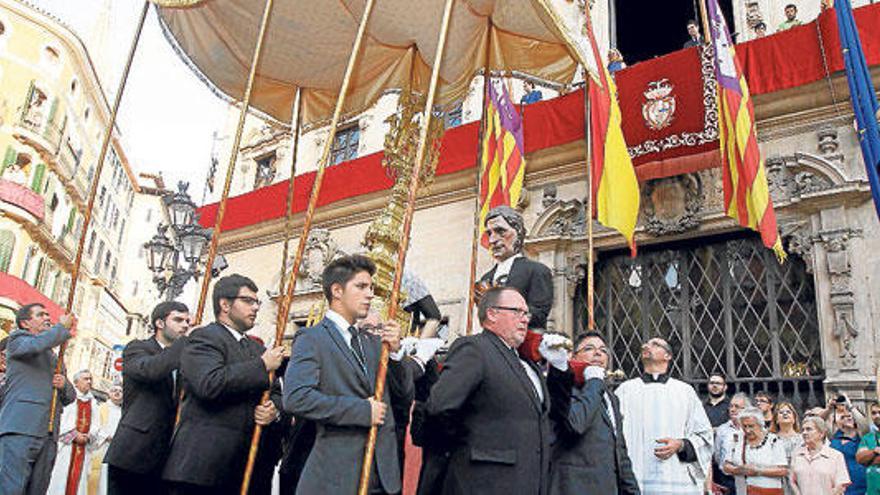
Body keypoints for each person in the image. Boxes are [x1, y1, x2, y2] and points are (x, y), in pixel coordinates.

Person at [284, 255, 411, 495]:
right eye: (361, 286)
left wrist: (395, 356)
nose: (370, 294)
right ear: (337, 290)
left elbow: (402, 400)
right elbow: (297, 398)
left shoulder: (374, 343)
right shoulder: (312, 338)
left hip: (383, 476)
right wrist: (361, 411)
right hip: (336, 476)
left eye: (371, 287)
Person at [162, 275, 284, 494]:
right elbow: (209, 383)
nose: (255, 307)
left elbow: (275, 391)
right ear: (225, 304)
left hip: (248, 469)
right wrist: (261, 365)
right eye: (248, 301)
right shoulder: (203, 338)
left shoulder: (257, 350)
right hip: (203, 468)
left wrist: (273, 409)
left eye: (257, 302)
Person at [424, 286, 551, 494]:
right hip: (483, 481)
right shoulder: (475, 349)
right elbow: (441, 407)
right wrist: (470, 448)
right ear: (492, 313)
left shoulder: (526, 363)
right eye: (517, 311)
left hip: (526, 482)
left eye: (526, 313)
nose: (525, 319)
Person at [104, 300, 190, 495]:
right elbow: (152, 370)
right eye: (178, 320)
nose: (185, 325)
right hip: (134, 453)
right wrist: (186, 342)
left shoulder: (185, 358)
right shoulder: (137, 348)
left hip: (168, 457)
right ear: (160, 323)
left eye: (187, 321)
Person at [543, 331, 639, 494]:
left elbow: (619, 451)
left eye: (603, 350)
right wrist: (594, 381)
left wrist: (631, 490)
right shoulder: (562, 388)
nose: (598, 353)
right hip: (573, 487)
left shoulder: (611, 398)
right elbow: (576, 423)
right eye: (589, 348)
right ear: (573, 356)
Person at [615, 337, 714, 494]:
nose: (647, 346)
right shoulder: (625, 390)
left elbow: (705, 436)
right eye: (646, 344)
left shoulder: (684, 391)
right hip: (635, 476)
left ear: (668, 356)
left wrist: (680, 444)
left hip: (675, 478)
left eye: (655, 344)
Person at [0, 304, 77, 495]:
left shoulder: (53, 356)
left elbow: (69, 397)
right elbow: (36, 344)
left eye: (47, 314)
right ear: (25, 323)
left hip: (48, 433)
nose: (47, 318)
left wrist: (64, 385)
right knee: (12, 488)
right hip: (21, 428)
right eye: (40, 315)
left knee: (37, 489)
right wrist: (62, 329)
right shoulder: (17, 341)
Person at [477, 205, 553, 331]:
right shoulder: (485, 279)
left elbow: (539, 315)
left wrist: (504, 313)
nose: (492, 240)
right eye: (489, 233)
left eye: (500, 231)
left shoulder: (537, 271)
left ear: (518, 232)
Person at [47, 369, 102, 495]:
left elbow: (97, 426)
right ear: (76, 383)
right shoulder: (67, 399)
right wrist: (74, 435)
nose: (89, 381)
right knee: (60, 480)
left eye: (90, 379)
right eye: (85, 379)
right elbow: (59, 421)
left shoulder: (94, 403)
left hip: (83, 448)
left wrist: (88, 437)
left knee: (79, 483)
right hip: (65, 448)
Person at [723, 406, 788, 495]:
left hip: (770, 491)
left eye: (751, 426)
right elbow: (726, 466)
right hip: (744, 490)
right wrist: (740, 470)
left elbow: (783, 470)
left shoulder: (773, 441)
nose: (748, 430)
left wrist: (758, 471)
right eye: (744, 426)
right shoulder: (737, 439)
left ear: (760, 424)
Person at [790, 416, 851, 495]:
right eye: (803, 430)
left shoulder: (836, 456)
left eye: (809, 429)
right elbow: (792, 482)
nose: (804, 433)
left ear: (821, 434)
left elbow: (841, 486)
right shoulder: (797, 455)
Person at [712, 393, 751, 495]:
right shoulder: (722, 430)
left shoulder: (752, 429)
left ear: (746, 409)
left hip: (750, 478)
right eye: (731, 406)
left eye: (737, 407)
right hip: (727, 480)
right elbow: (717, 455)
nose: (732, 409)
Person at [830, 405, 868, 495]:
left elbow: (863, 424)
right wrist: (830, 408)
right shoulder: (834, 438)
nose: (848, 418)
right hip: (839, 482)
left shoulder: (862, 437)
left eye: (850, 417)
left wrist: (850, 406)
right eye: (843, 417)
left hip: (858, 483)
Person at [92, 384, 122, 495]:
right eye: (114, 390)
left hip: (117, 450)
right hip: (102, 447)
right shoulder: (101, 408)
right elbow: (95, 426)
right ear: (109, 393)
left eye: (120, 391)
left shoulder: (124, 412)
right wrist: (107, 437)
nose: (117, 393)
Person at [772, 402, 803, 495]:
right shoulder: (771, 439)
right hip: (779, 479)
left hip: (800, 478)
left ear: (794, 418)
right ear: (776, 419)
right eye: (781, 412)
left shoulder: (802, 438)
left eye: (788, 412)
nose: (785, 414)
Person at [856, 414, 880, 495]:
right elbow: (860, 459)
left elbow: (866, 460)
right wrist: (875, 451)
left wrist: (870, 459)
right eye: (873, 413)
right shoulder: (867, 438)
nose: (877, 415)